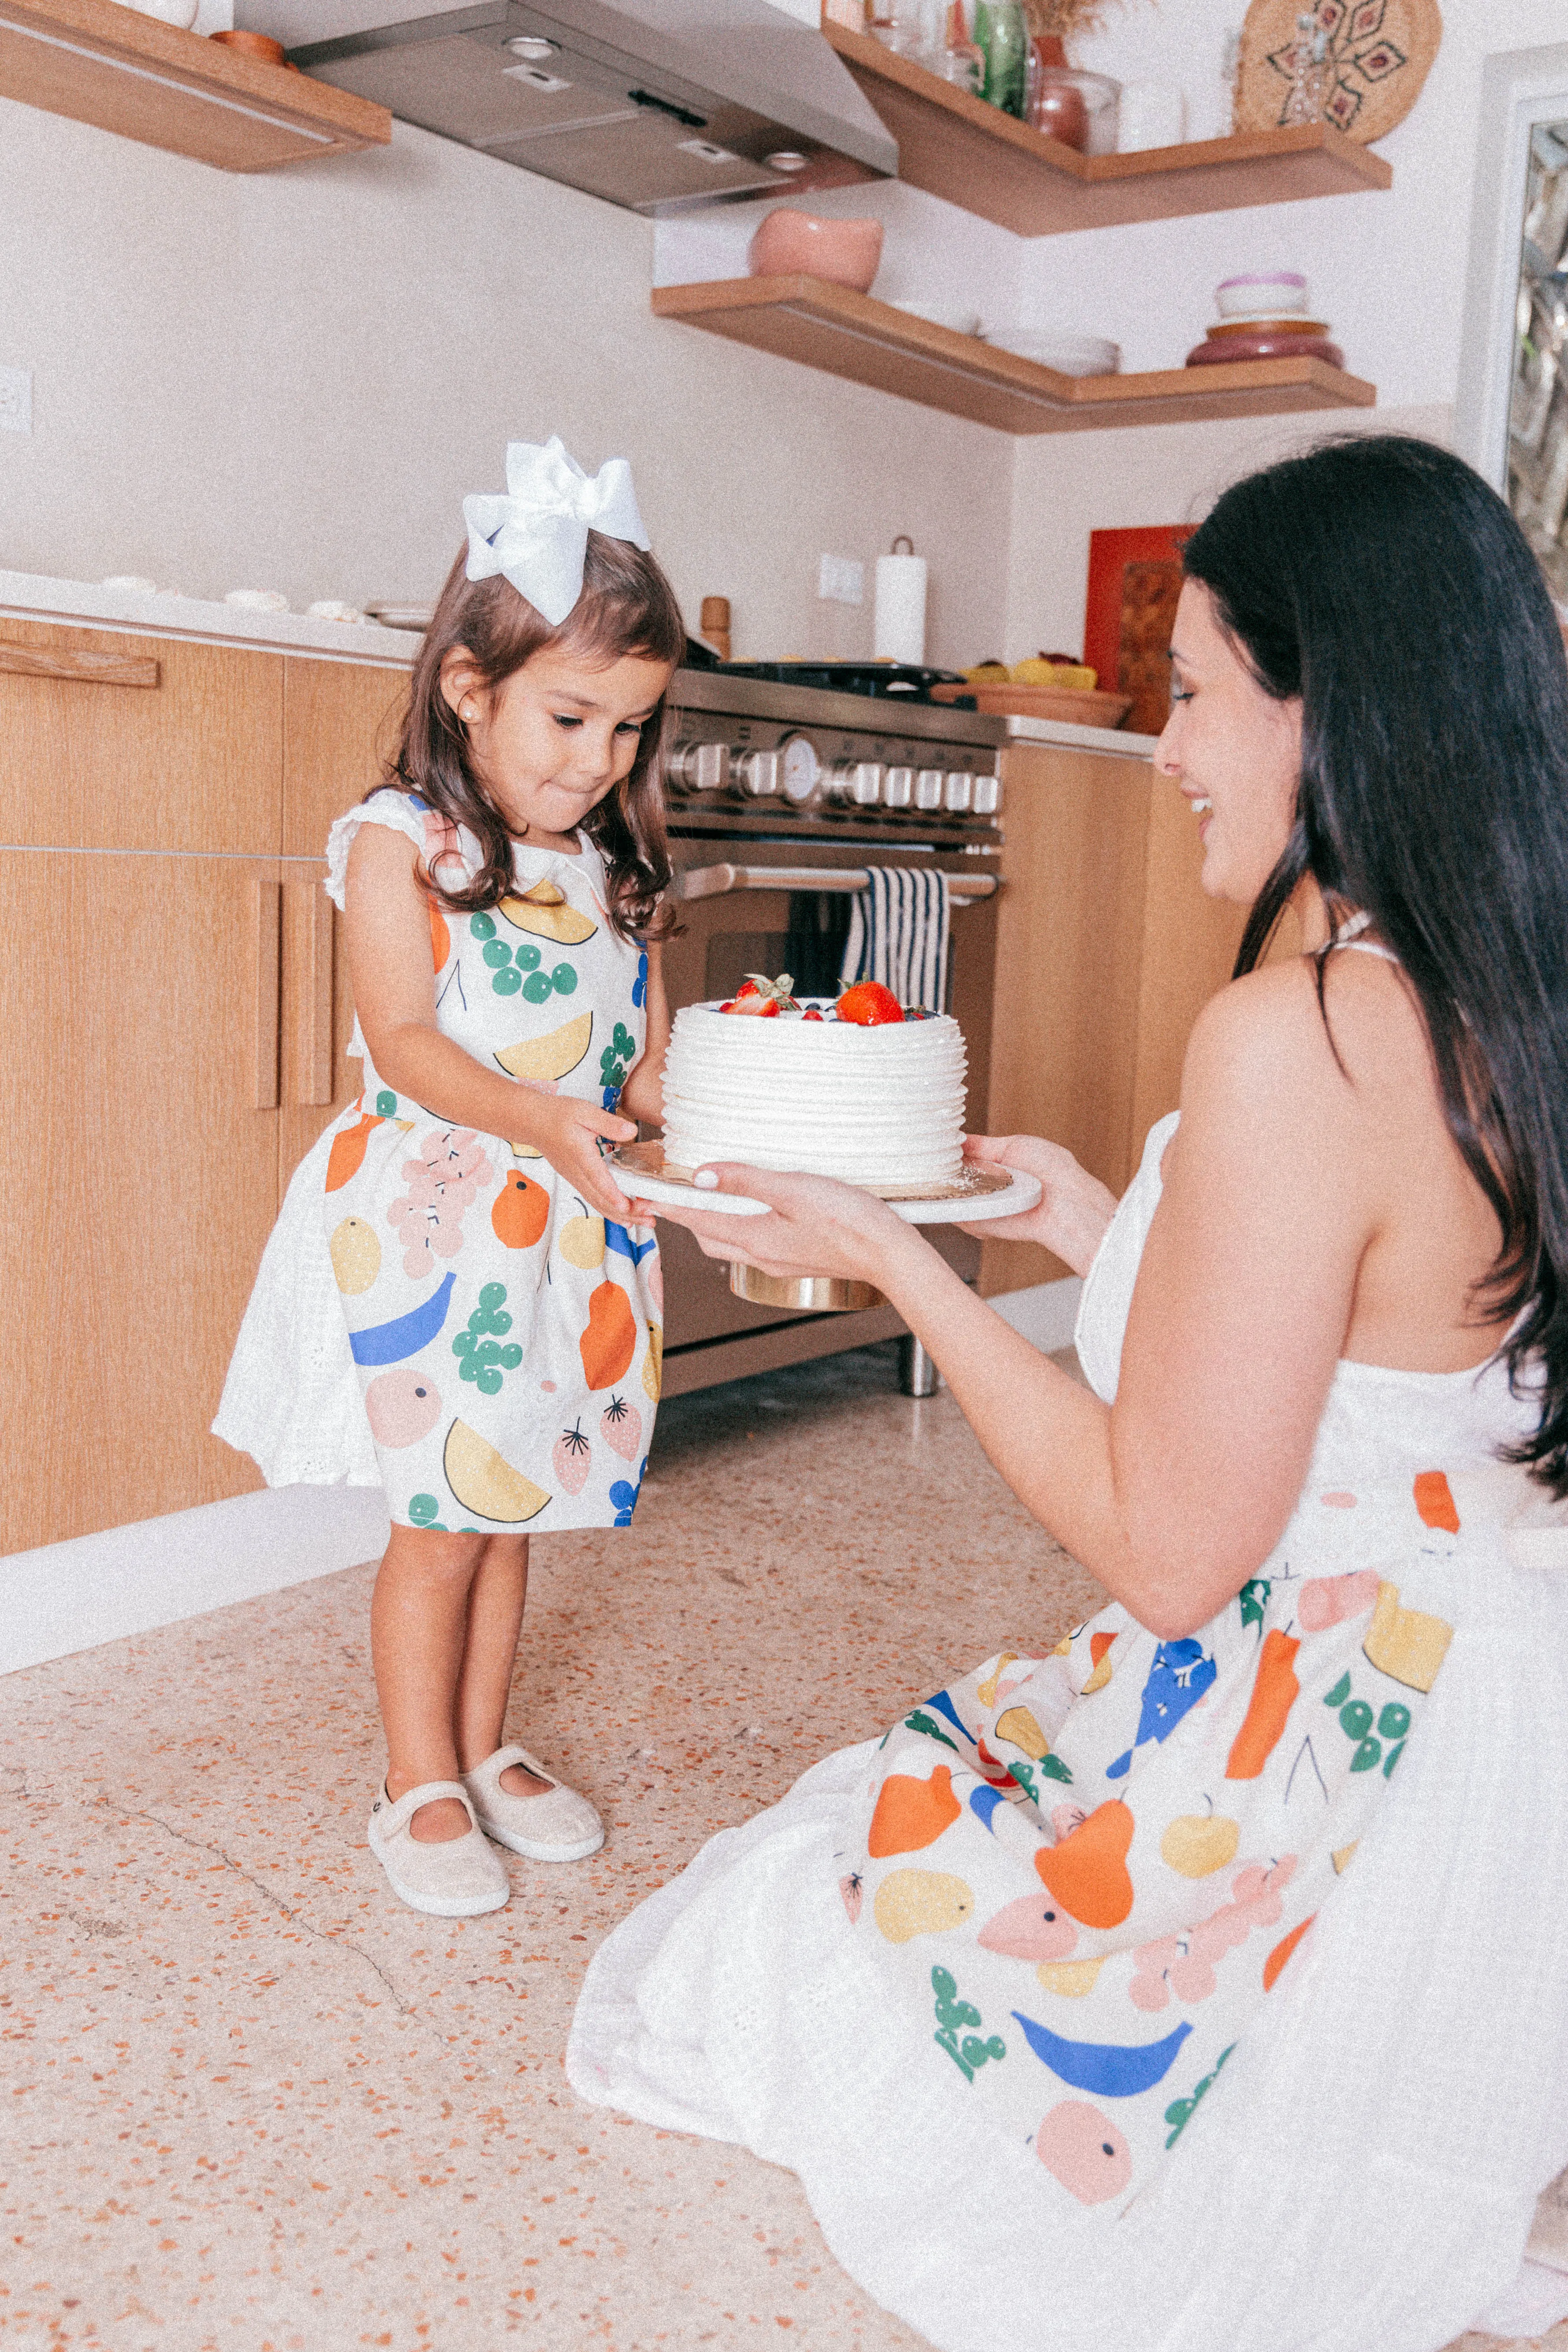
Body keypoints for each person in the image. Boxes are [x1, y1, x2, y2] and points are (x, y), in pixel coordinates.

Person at [567, 436, 1568, 2350]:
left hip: (1340, 1762)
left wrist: (909, 1270)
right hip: (1496, 1742)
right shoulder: (1497, 991)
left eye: (1189, 697)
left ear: (1325, 705)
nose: (1169, 751)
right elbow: (1377, 1359)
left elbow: (1171, 1550)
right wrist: (1109, 1221)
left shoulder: (1298, 1031)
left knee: (781, 1939)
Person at [216, 438, 683, 1919]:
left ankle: (488, 1748)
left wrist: (694, 1126)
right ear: (467, 689)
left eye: (625, 730)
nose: (595, 760)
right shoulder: (396, 844)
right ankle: (418, 1776)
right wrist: (550, 1126)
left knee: (519, 1489)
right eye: (566, 715)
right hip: (442, 1230)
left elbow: (646, 1067)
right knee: (439, 1512)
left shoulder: (611, 869)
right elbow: (409, 1045)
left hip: (573, 1233)